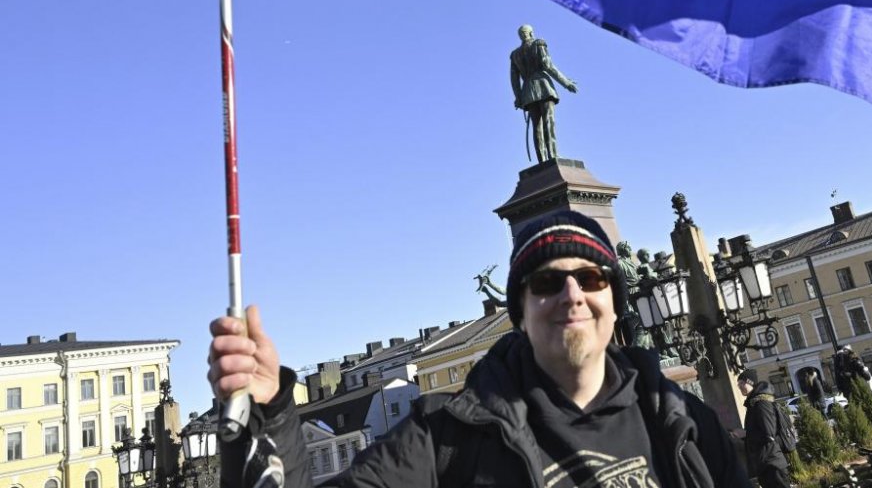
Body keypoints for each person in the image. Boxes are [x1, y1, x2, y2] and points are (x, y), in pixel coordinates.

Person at [208, 210, 748, 488]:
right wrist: (270, 412)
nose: (571, 295)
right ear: (518, 311)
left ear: (615, 297)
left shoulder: (678, 418)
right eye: (545, 283)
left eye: (590, 277)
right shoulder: (448, 438)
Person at [509, 24, 577, 162]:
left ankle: (542, 160)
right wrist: (566, 82)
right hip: (543, 86)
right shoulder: (538, 44)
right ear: (531, 33)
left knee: (536, 127)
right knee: (548, 121)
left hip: (528, 91)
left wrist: (518, 97)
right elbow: (548, 65)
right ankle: (553, 154)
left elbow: (514, 80)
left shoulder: (514, 54)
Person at [736, 370, 790, 488]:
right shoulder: (753, 403)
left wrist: (745, 433)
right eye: (738, 384)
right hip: (764, 464)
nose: (739, 387)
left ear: (750, 383)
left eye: (742, 383)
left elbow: (769, 434)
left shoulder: (761, 403)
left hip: (773, 465)